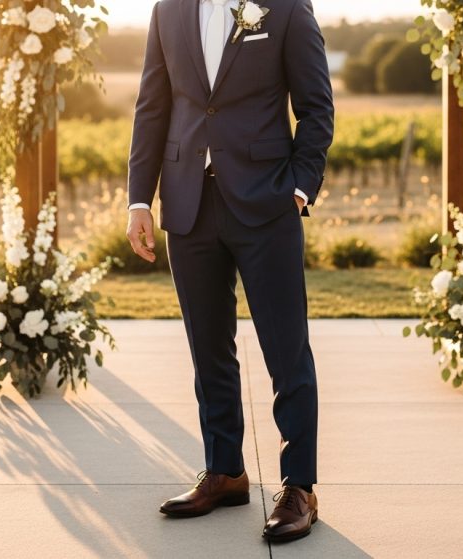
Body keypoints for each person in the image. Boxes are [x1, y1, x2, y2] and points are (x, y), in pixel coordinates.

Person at [125, 0, 333, 542]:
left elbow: (316, 107)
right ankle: (225, 472)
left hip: (267, 204)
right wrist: (139, 201)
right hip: (188, 202)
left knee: (287, 352)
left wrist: (298, 187)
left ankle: (299, 487)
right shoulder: (167, 10)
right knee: (207, 349)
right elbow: (153, 104)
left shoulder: (285, 8)